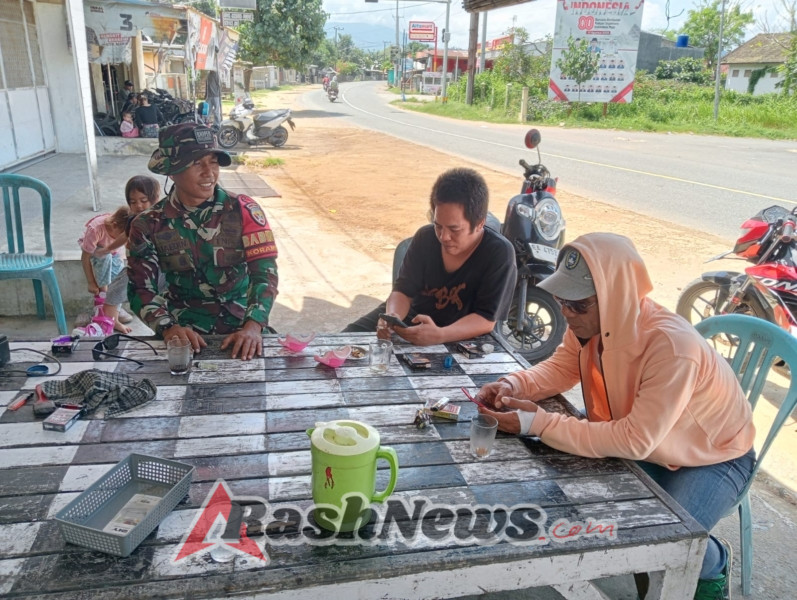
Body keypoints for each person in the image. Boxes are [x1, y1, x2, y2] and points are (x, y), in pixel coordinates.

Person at [475, 233, 756, 600]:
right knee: (596, 514)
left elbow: (632, 440)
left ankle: (713, 561)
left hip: (716, 457)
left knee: (664, 540)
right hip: (653, 443)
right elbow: (562, 366)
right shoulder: (595, 324)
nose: (566, 313)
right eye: (562, 301)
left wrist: (536, 423)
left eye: (578, 305)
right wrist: (513, 384)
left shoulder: (672, 347)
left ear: (615, 296)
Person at [127, 122, 279, 360]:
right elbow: (140, 289)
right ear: (171, 170)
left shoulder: (243, 210)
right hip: (184, 333)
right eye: (196, 163)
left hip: (244, 328)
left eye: (214, 161)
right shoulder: (148, 224)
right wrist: (167, 327)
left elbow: (265, 274)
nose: (209, 172)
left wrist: (254, 325)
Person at [343, 167, 517, 345]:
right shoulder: (425, 238)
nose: (443, 237)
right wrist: (392, 317)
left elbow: (485, 319)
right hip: (409, 320)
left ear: (479, 224)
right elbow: (403, 290)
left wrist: (440, 335)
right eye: (438, 226)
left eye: (454, 229)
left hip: (459, 335)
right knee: (340, 342)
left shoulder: (499, 253)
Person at [96, 175, 162, 329]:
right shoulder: (134, 220)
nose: (138, 205)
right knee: (113, 293)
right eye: (133, 202)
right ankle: (110, 324)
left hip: (160, 268)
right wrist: (107, 249)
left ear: (155, 198)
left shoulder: (162, 218)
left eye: (143, 200)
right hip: (135, 267)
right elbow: (124, 236)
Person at [78, 207, 130, 332]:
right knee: (105, 258)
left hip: (112, 251)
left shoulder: (122, 230)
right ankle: (103, 297)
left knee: (120, 273)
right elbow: (85, 257)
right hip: (96, 251)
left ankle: (113, 311)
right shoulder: (96, 229)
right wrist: (91, 282)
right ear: (114, 225)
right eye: (121, 236)